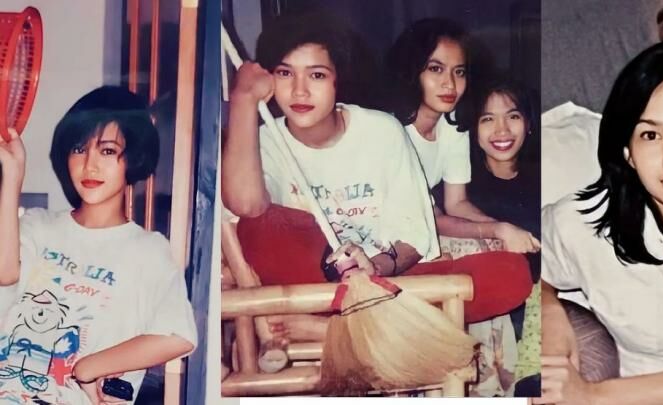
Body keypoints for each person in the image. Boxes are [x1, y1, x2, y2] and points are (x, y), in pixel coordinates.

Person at [222, 14, 532, 343]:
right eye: (285, 73)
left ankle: (336, 329)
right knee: (259, 225)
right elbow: (247, 207)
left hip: (385, 281)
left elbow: (414, 238)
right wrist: (243, 99)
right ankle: (381, 330)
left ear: (338, 80)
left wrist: (376, 267)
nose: (300, 91)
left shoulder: (382, 130)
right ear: (270, 79)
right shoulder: (264, 142)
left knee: (511, 274)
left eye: (317, 75)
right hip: (314, 283)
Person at [538, 41, 663, 405]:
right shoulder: (584, 225)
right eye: (650, 135)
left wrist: (595, 396)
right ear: (629, 154)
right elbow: (531, 262)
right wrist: (548, 310)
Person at [0, 86, 197, 405]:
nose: (89, 165)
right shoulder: (38, 225)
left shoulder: (147, 251)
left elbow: (178, 336)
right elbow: (5, 273)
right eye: (79, 149)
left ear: (133, 159)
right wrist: (12, 177)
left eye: (107, 151)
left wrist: (88, 367)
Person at [384, 18, 540, 255]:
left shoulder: (452, 124)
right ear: (411, 71)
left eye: (459, 72)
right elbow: (430, 218)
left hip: (417, 230)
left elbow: (456, 204)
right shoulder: (392, 130)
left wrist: (506, 231)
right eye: (436, 69)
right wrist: (497, 230)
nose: (450, 84)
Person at [467, 77, 541, 396]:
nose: (501, 130)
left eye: (512, 116)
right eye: (487, 119)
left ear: (529, 123)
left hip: (540, 305)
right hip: (493, 311)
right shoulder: (462, 186)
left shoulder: (542, 175)